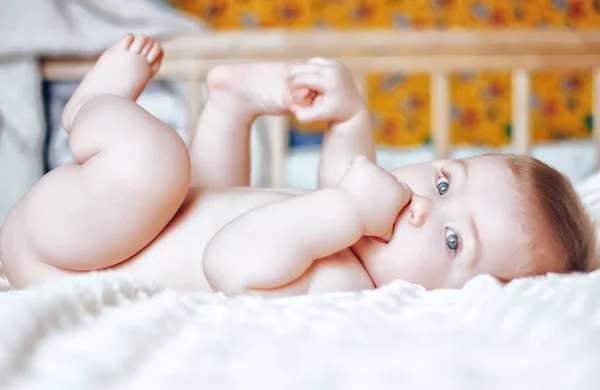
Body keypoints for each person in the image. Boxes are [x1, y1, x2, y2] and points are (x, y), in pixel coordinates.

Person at [0, 34, 595, 295]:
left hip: (68, 256)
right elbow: (349, 173)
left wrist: (345, 208)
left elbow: (229, 261)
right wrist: (349, 115)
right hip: (111, 228)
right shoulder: (364, 238)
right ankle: (230, 106)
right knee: (200, 194)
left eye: (450, 238)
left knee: (159, 167)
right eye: (443, 181)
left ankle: (87, 113)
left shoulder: (345, 286)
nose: (422, 207)